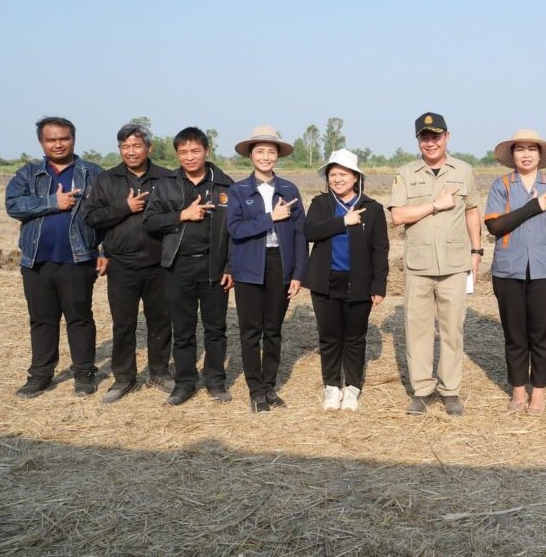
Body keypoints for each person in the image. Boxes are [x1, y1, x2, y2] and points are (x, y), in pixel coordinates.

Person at [389, 113, 481, 416]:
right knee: (417, 329)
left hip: (455, 265)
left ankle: (450, 390)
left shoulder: (464, 171)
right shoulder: (406, 173)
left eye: (436, 136)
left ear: (447, 137)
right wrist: (434, 205)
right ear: (418, 140)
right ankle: (422, 390)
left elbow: (471, 210)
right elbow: (398, 216)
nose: (431, 142)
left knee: (453, 328)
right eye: (425, 137)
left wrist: (476, 251)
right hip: (418, 265)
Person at [5, 117, 106, 398]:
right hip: (36, 261)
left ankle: (84, 373)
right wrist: (53, 202)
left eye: (64, 138)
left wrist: (106, 251)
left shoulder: (93, 173)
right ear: (42, 142)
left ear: (73, 139)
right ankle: (40, 375)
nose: (58, 144)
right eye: (51, 139)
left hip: (79, 260)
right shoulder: (29, 173)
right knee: (42, 320)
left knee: (80, 318)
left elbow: (109, 215)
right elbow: (13, 205)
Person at [484, 129, 546, 415]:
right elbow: (495, 226)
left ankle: (539, 392)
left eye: (531, 148)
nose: (526, 154)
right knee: (515, 334)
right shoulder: (501, 186)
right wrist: (533, 207)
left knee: (542, 333)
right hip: (508, 270)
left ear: (540, 154)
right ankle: (518, 391)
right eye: (520, 148)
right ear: (512, 155)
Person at [83, 123, 175, 402]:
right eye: (125, 146)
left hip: (160, 263)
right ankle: (124, 378)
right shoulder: (107, 179)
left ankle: (159, 372)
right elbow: (91, 217)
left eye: (136, 146)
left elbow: (179, 214)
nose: (131, 151)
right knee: (123, 324)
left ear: (149, 148)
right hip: (121, 264)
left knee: (160, 321)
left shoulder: (167, 178)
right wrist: (125, 207)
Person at [142, 127, 234, 406]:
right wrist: (182, 214)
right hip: (178, 265)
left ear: (207, 151)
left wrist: (229, 267)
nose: (189, 157)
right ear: (177, 154)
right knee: (183, 329)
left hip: (214, 267)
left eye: (195, 151)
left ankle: (215, 380)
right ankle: (184, 383)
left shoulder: (225, 185)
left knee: (215, 329)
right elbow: (150, 221)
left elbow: (235, 231)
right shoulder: (166, 184)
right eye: (183, 152)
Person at [227, 127, 307, 413]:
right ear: (251, 155)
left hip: (280, 264)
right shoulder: (238, 191)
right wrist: (270, 217)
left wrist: (298, 274)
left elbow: (300, 234)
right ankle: (256, 390)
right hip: (249, 266)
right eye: (259, 151)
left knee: (273, 329)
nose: (265, 156)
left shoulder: (289, 189)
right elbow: (235, 229)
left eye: (271, 151)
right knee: (251, 331)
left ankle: (269, 386)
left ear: (278, 156)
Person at [305, 149, 389, 412]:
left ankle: (352, 386)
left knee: (355, 337)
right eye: (332, 174)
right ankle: (332, 386)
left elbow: (380, 249)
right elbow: (310, 231)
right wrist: (343, 221)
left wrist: (379, 285)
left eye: (343, 174)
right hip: (325, 280)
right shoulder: (320, 204)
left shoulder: (372, 208)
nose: (337, 179)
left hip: (359, 283)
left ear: (355, 177)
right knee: (329, 337)